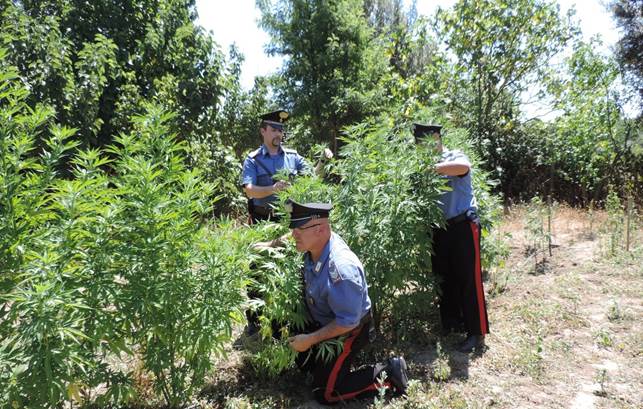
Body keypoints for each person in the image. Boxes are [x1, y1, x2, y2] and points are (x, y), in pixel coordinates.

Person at [285, 199, 408, 404]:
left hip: (349, 329)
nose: (293, 235)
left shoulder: (342, 269)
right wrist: (265, 245)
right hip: (324, 316)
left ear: (321, 229)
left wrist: (309, 340)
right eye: (293, 228)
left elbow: (347, 321)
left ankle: (389, 372)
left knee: (325, 393)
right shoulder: (315, 241)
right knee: (305, 364)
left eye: (299, 229)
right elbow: (289, 236)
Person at [413, 123, 490, 353]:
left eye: (425, 142)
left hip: (463, 225)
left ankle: (476, 333)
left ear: (436, 137)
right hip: (439, 229)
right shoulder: (420, 165)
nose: (421, 147)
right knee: (444, 279)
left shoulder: (452, 156)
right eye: (419, 144)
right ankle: (452, 324)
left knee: (469, 280)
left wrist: (431, 168)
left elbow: (463, 167)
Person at [241, 109, 309, 224]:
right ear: (263, 131)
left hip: (288, 219)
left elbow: (313, 176)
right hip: (262, 220)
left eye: (280, 130)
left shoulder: (293, 157)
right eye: (273, 130)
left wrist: (323, 161)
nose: (278, 134)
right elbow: (249, 191)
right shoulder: (253, 159)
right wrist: (273, 189)